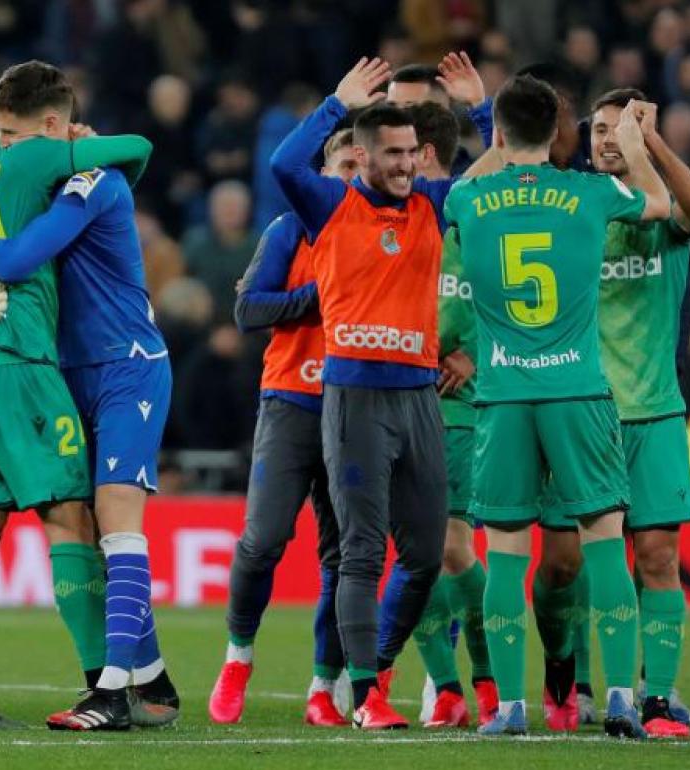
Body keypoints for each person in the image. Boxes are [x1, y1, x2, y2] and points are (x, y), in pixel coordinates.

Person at [0, 60, 155, 730]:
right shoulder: (37, 157)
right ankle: (104, 688)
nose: (0, 140)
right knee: (71, 520)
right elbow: (137, 149)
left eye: (6, 129)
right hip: (24, 362)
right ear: (53, 124)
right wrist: (70, 141)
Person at [445, 74, 670, 738]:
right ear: (561, 135)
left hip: (505, 397)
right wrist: (632, 142)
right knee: (606, 547)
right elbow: (660, 203)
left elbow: (466, 185)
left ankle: (511, 708)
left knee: (508, 554)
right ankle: (625, 698)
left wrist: (487, 127)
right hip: (578, 391)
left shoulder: (469, 197)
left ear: (501, 133)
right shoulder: (591, 193)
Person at [270, 52, 486, 729]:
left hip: (420, 399)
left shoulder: (432, 202)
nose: (406, 163)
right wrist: (335, 106)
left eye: (412, 152)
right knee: (362, 550)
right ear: (362, 158)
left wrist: (480, 110)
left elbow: (506, 169)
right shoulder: (329, 204)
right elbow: (284, 165)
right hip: (355, 399)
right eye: (392, 152)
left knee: (425, 556)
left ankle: (377, 668)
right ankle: (365, 696)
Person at [207, 129, 358, 728]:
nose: (350, 175)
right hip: (293, 400)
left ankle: (325, 683)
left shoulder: (383, 234)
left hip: (358, 406)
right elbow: (248, 310)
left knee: (346, 555)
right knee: (262, 540)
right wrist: (321, 296)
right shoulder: (290, 229)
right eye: (342, 165)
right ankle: (238, 655)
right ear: (322, 171)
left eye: (359, 166)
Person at [584, 87, 690, 737]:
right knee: (575, 564)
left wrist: (652, 146)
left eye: (622, 128)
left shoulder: (663, 217)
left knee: (659, 557)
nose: (609, 137)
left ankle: (657, 696)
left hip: (656, 410)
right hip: (583, 414)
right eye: (600, 128)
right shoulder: (576, 207)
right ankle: (583, 684)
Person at [376, 101, 497, 729]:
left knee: (452, 546)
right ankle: (448, 689)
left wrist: (474, 351)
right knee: (417, 551)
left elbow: (515, 288)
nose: (390, 161)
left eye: (402, 150)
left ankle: (486, 674)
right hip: (397, 397)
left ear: (423, 154)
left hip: (458, 408)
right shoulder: (394, 217)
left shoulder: (474, 214)